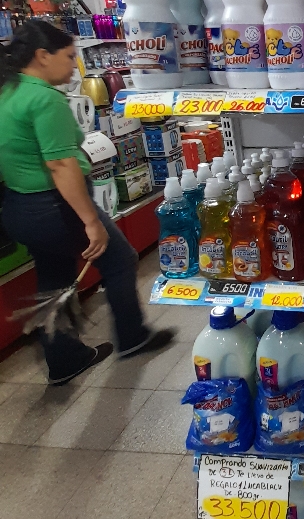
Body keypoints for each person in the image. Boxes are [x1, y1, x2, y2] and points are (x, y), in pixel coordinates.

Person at [0, 21, 174, 383]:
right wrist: (91, 221)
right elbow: (61, 166)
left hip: (20, 207)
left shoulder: (8, 92)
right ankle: (132, 337)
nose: (73, 65)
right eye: (68, 56)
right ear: (42, 56)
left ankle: (64, 360)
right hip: (54, 207)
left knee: (55, 277)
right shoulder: (44, 98)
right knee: (120, 259)